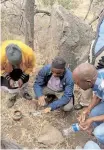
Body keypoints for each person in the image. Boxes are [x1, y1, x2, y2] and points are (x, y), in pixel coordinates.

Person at [73, 63, 104, 147]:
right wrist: (87, 110)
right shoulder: (98, 75)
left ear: (88, 82)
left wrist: (92, 120)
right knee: (93, 112)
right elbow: (98, 96)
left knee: (99, 133)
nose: (77, 86)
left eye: (78, 83)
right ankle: (93, 130)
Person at [79, 10, 104, 107]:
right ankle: (85, 101)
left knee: (99, 77)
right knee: (85, 73)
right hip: (96, 47)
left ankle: (98, 103)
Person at [0, 40, 35, 108]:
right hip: (7, 68)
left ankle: (24, 91)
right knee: (8, 82)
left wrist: (21, 79)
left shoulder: (29, 53)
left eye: (18, 62)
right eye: (14, 63)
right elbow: (1, 70)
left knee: (24, 77)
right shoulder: (1, 56)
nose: (16, 65)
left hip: (24, 66)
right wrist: (9, 79)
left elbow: (30, 67)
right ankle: (12, 95)